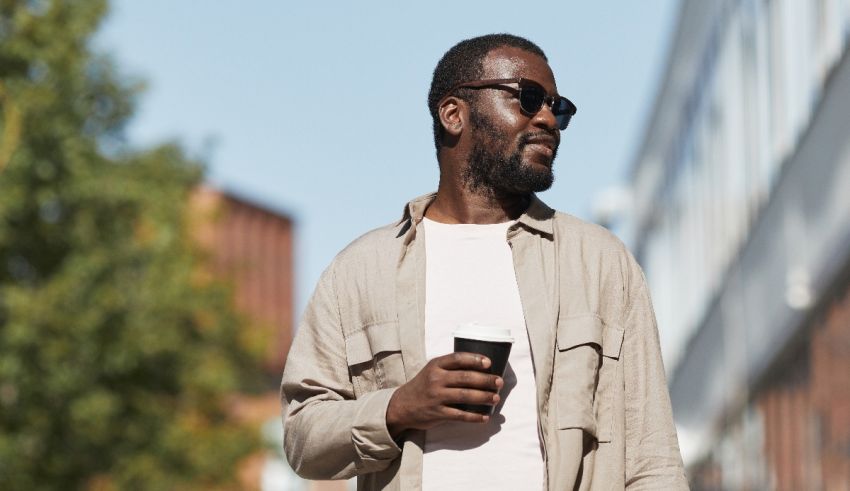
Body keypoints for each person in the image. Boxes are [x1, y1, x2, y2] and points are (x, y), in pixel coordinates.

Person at [280, 33, 688, 490]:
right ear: (454, 114)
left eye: (559, 107)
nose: (548, 119)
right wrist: (399, 407)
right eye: (528, 98)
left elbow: (653, 461)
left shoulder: (599, 263)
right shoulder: (360, 271)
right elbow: (302, 438)